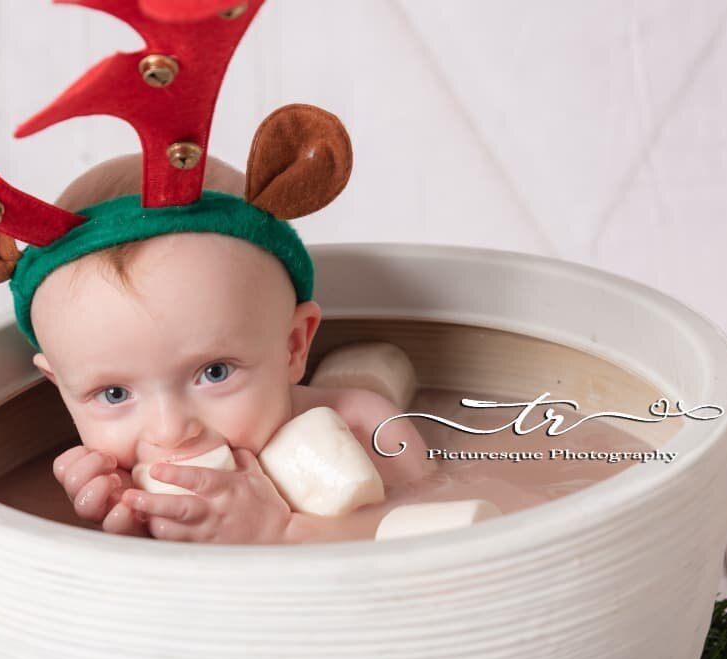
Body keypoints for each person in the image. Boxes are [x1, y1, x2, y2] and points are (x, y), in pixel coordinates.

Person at [24, 154, 431, 544]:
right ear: (59, 385)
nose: (170, 431)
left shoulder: (367, 428)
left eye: (215, 371)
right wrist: (129, 527)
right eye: (114, 394)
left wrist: (282, 535)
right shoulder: (110, 475)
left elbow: (441, 524)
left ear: (293, 346)